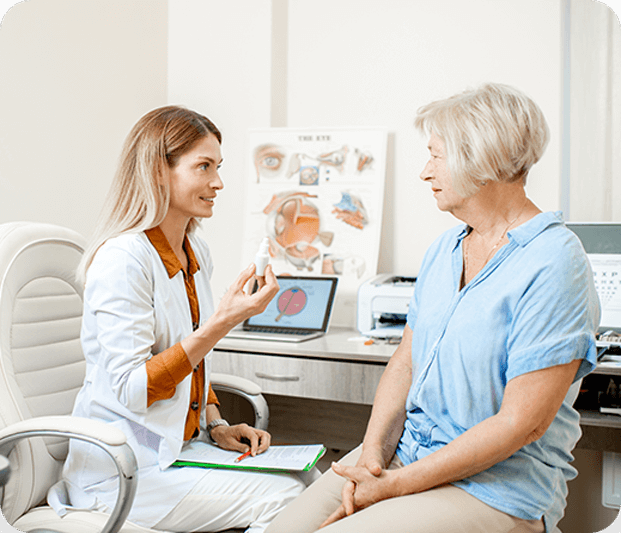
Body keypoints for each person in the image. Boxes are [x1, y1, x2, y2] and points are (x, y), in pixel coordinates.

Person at [264, 83, 600, 533]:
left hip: (495, 486)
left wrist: (394, 487)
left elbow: (523, 423)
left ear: (480, 159)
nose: (425, 172)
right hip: (407, 455)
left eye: (436, 156)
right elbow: (405, 363)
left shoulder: (554, 261)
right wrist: (371, 460)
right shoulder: (446, 248)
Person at [48, 105, 305, 532]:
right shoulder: (122, 259)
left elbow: (192, 364)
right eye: (203, 167)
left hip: (178, 449)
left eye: (218, 167)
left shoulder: (194, 252)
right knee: (288, 497)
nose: (218, 183)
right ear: (158, 172)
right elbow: (133, 390)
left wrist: (216, 423)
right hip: (121, 470)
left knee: (305, 478)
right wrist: (221, 322)